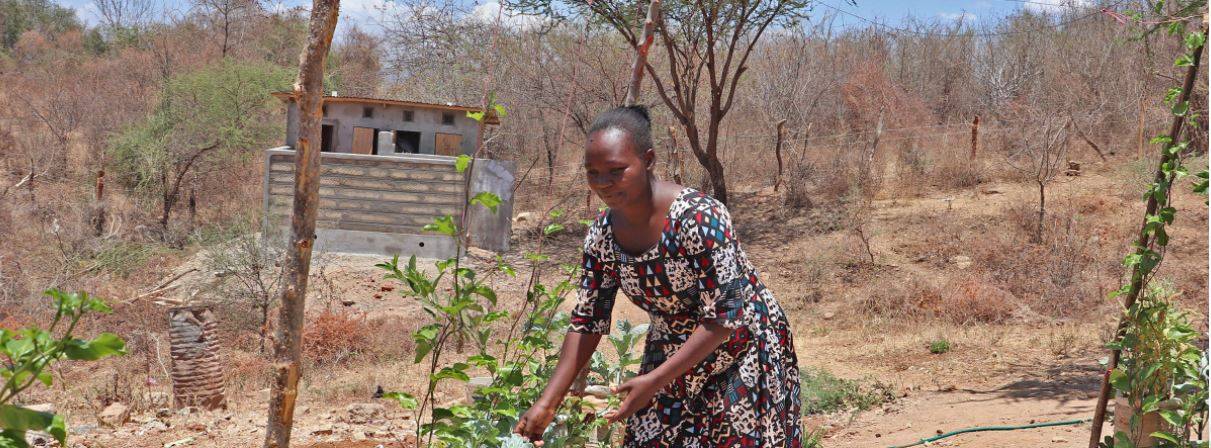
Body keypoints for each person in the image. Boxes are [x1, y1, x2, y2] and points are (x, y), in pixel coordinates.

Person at [514, 105, 802, 447]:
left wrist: (655, 381)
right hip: (670, 350)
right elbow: (587, 321)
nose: (603, 183)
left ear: (648, 159)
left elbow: (725, 316)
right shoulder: (602, 237)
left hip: (741, 347)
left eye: (616, 170)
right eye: (592, 172)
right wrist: (549, 401)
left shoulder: (699, 218)